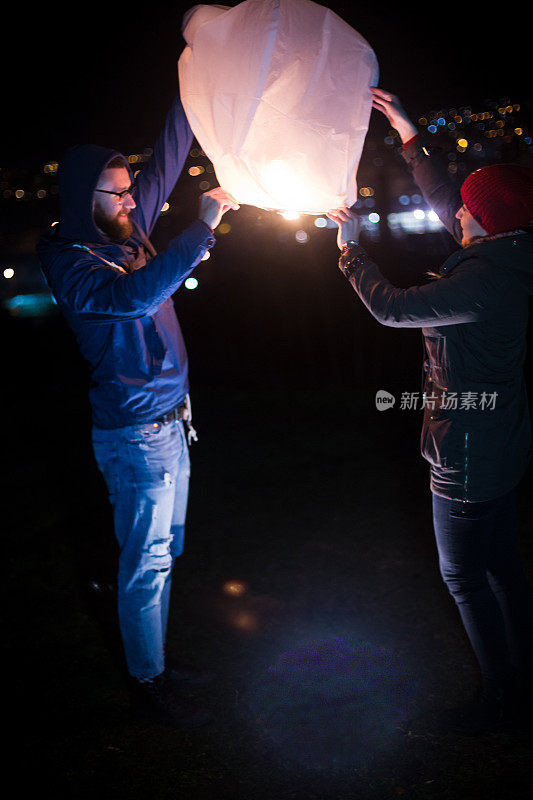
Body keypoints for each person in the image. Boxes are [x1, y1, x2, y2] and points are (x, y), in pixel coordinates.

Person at [327, 87, 533, 735]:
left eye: (465, 213)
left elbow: (390, 307)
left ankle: (501, 695)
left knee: (464, 576)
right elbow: (452, 198)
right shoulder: (510, 251)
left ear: (480, 224)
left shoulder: (479, 283)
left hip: (467, 455)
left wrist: (349, 251)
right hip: (502, 440)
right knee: (502, 566)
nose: (454, 215)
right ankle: (522, 670)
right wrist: (408, 134)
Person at [37, 84, 239, 728]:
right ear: (81, 200)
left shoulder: (128, 224)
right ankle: (148, 683)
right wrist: (202, 225)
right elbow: (135, 298)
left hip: (174, 423)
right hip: (133, 436)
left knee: (164, 551)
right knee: (145, 563)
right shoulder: (71, 264)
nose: (130, 200)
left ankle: (155, 659)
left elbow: (170, 154)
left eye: (129, 190)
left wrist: (198, 76)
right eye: (116, 194)